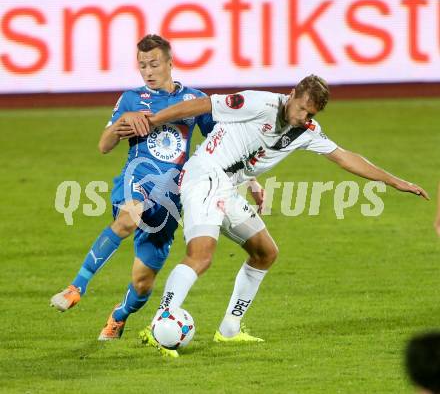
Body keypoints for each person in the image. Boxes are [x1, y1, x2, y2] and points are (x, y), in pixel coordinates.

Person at [139, 74, 429, 353]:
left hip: (227, 187)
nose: (304, 116)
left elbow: (344, 157)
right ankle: (159, 323)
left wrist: (394, 181)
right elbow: (205, 104)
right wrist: (152, 121)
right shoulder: (258, 103)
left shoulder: (305, 131)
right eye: (301, 108)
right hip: (205, 176)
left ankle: (229, 329)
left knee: (265, 253)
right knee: (201, 256)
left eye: (310, 113)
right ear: (291, 95)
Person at [50, 35, 216, 349]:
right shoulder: (131, 99)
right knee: (129, 217)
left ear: (170, 61)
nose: (148, 71)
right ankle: (76, 287)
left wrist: (249, 179)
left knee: (142, 282)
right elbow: (104, 146)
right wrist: (121, 122)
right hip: (136, 180)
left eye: (154, 64)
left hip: (170, 197)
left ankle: (120, 316)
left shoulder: (195, 99)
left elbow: (217, 144)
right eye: (142, 66)